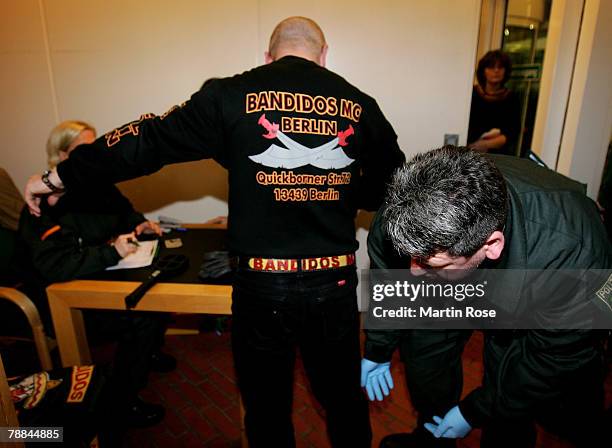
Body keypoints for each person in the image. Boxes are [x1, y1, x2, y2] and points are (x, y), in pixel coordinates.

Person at [23, 17, 406, 447]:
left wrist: (61, 177)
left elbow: (147, 139)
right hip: (331, 281)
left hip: (261, 284)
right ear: (324, 54)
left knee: (265, 408)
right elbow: (391, 189)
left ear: (267, 55)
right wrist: (336, 190)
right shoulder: (360, 104)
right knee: (343, 404)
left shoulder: (231, 95)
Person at [361, 146, 611, 448]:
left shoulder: (575, 255)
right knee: (426, 362)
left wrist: (473, 411)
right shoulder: (401, 217)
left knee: (511, 397)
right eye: (410, 258)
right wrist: (378, 347)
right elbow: (390, 279)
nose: (412, 273)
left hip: (532, 291)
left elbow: (550, 361)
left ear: (491, 245)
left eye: (428, 263)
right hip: (456, 277)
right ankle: (434, 435)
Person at [19, 120, 175, 429]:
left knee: (158, 287)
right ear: (62, 157)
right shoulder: (45, 204)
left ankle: (146, 354)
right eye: (82, 151)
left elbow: (126, 212)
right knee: (141, 314)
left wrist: (141, 224)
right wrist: (111, 252)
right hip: (61, 296)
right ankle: (122, 401)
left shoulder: (98, 186)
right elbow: (56, 266)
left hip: (100, 275)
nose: (92, 156)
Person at [467, 50, 521, 156]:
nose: (496, 71)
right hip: (469, 151)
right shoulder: (471, 93)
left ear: (506, 71)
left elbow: (512, 132)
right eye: (491, 67)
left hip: (499, 155)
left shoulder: (511, 98)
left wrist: (485, 144)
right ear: (483, 71)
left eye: (500, 67)